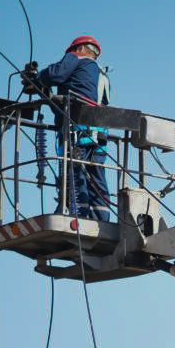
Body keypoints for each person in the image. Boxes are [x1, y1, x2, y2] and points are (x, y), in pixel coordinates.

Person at [31, 36, 112, 221]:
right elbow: (64, 105)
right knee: (97, 178)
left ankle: (79, 218)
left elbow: (55, 75)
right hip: (99, 137)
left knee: (76, 177)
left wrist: (39, 77)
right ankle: (101, 220)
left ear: (81, 48)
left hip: (77, 134)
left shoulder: (77, 57)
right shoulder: (100, 75)